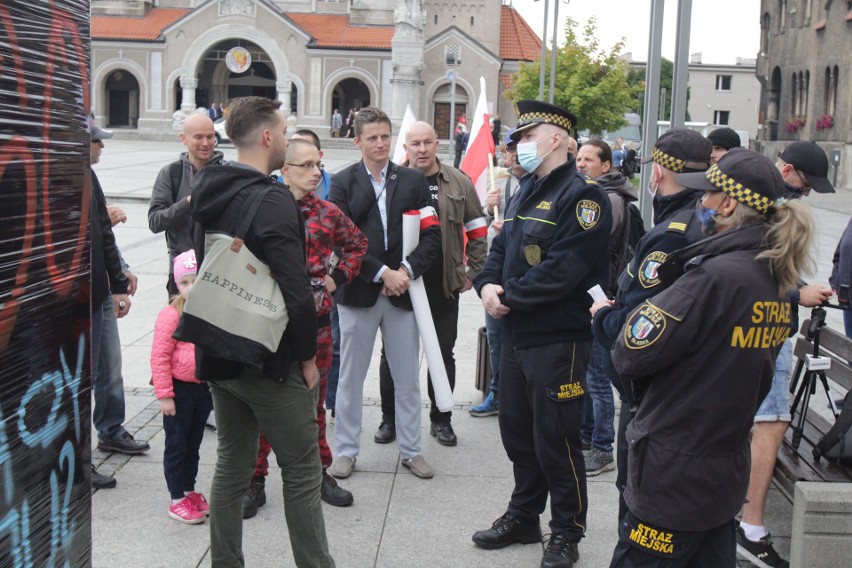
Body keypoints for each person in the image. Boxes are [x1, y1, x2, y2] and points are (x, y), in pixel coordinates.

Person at [608, 148, 814, 567]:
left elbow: (630, 350)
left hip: (674, 468)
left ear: (729, 203)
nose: (700, 203)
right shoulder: (773, 276)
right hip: (722, 469)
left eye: (707, 196)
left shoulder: (714, 276)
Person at [188, 96, 334, 567]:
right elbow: (296, 292)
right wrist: (307, 358)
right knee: (302, 468)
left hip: (217, 346)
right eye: (286, 130)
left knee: (231, 464)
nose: (288, 138)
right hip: (265, 357)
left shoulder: (209, 183)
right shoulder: (272, 200)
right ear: (268, 137)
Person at [472, 100, 612, 568]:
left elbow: (565, 270)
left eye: (526, 137)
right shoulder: (523, 189)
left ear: (556, 139)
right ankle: (524, 515)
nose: (517, 146)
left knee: (557, 438)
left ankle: (567, 532)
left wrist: (507, 296)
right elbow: (501, 247)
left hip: (557, 340)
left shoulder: (583, 196)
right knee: (518, 432)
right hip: (515, 336)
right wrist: (486, 284)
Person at [591, 128, 712, 523]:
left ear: (658, 172)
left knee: (637, 497)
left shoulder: (671, 236)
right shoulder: (704, 220)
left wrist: (604, 317)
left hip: (650, 393)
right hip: (683, 391)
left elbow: (640, 326)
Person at [244, 138, 368, 516]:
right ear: (285, 171)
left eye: (319, 165)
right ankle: (255, 478)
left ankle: (319, 474)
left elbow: (358, 245)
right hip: (270, 323)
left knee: (314, 402)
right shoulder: (266, 209)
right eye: (306, 166)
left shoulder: (328, 213)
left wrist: (336, 278)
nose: (316, 173)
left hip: (315, 324)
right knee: (265, 403)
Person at [327, 106, 441, 481]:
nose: (380, 143)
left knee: (406, 377)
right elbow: (340, 240)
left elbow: (431, 236)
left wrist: (405, 272)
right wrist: (381, 273)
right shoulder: (342, 183)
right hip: (358, 292)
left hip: (403, 292)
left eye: (385, 136)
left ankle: (412, 450)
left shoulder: (412, 180)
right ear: (357, 140)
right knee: (350, 377)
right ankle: (345, 450)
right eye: (372, 137)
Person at [736, 140, 835, 568]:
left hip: (753, 328)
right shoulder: (771, 204)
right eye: (807, 183)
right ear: (788, 170)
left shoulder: (752, 193)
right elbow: (754, 265)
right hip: (766, 327)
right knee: (772, 420)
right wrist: (799, 293)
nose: (808, 194)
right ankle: (751, 528)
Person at [374, 121, 487, 446]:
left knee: (443, 354)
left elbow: (477, 228)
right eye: (415, 144)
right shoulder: (389, 180)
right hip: (399, 285)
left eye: (427, 142)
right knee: (392, 356)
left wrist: (471, 273)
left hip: (443, 285)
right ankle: (389, 419)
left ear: (438, 143)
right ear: (406, 147)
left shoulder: (458, 182)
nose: (422, 149)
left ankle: (442, 419)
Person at [576, 139, 638, 476]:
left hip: (603, 298)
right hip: (595, 298)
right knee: (590, 377)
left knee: (597, 379)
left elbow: (592, 247)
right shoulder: (597, 194)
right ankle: (588, 441)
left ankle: (601, 448)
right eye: (579, 158)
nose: (581, 164)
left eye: (588, 159)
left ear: (606, 166)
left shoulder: (607, 199)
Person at [90, 124, 150, 467]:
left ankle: (111, 429)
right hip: (79, 296)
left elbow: (105, 242)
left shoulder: (91, 180)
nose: (102, 146)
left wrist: (117, 285)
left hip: (100, 291)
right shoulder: (65, 180)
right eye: (96, 140)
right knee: (85, 374)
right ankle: (79, 454)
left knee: (110, 366)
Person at [151, 250, 213, 525]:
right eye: (185, 282)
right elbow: (160, 356)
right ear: (177, 285)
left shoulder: (208, 312)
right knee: (176, 444)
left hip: (201, 389)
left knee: (194, 443)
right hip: (179, 390)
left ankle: (189, 488)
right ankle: (176, 497)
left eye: (196, 280)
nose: (190, 287)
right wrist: (165, 396)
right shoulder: (171, 315)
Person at [470, 129, 524, 418]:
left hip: (524, 273)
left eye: (519, 148)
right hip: (498, 269)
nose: (513, 155)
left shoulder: (538, 183)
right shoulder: (497, 179)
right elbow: (478, 222)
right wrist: (487, 207)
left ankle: (518, 394)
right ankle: (496, 391)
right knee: (495, 337)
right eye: (509, 150)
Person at [148, 113, 223, 297]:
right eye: (198, 137)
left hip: (220, 273)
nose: (206, 143)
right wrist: (187, 203)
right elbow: (155, 221)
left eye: (210, 136)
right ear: (184, 138)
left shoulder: (227, 172)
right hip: (183, 275)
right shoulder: (171, 173)